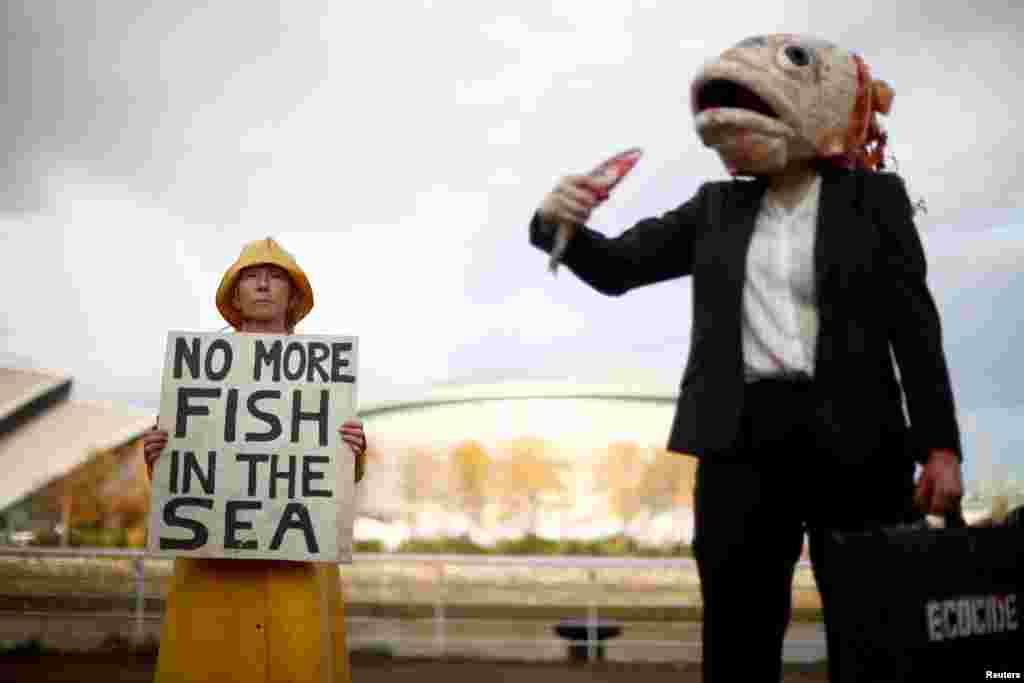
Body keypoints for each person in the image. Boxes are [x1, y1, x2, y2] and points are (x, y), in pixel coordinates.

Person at [529, 35, 963, 681]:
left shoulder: (876, 203)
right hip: (740, 447)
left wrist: (941, 446)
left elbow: (915, 326)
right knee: (737, 637)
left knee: (876, 631)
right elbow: (619, 267)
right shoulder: (713, 209)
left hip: (860, 443)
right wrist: (554, 224)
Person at [142, 237, 367, 683]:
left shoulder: (322, 375)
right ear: (234, 292)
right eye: (251, 276)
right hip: (213, 569)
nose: (263, 284)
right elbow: (185, 476)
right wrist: (157, 458)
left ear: (294, 294)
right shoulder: (197, 371)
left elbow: (331, 477)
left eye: (276, 276)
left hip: (296, 570)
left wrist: (354, 452)